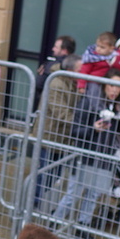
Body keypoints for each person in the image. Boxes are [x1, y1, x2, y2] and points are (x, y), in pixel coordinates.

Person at [53, 68, 120, 239]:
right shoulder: (89, 102)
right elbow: (75, 130)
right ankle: (55, 223)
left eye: (119, 87)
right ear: (104, 85)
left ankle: (83, 227)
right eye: (111, 85)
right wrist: (93, 129)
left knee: (93, 195)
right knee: (74, 192)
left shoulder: (116, 106)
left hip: (104, 158)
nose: (115, 90)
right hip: (84, 157)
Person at [34, 53, 82, 209]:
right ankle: (33, 205)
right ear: (70, 70)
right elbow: (62, 114)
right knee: (44, 175)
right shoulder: (56, 84)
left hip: (62, 139)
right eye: (81, 70)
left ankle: (41, 203)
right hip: (50, 137)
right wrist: (84, 124)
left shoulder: (74, 84)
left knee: (54, 175)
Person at [34, 35, 76, 108]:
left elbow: (39, 84)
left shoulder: (60, 65)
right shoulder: (71, 63)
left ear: (64, 50)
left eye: (56, 47)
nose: (53, 49)